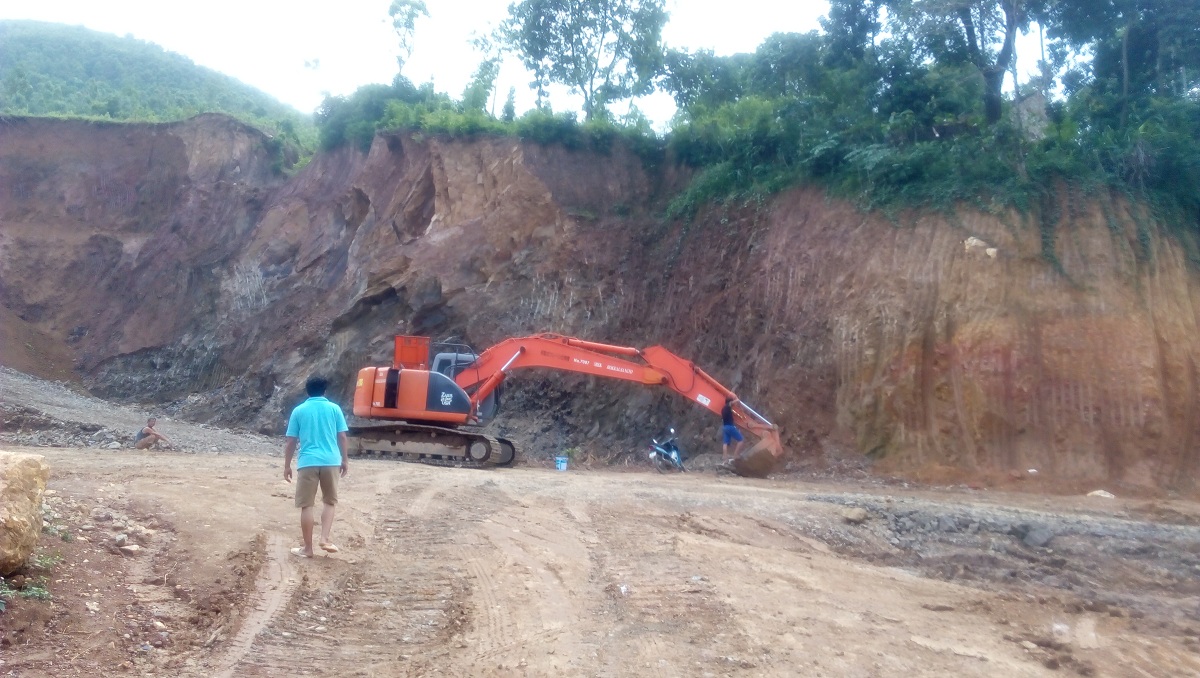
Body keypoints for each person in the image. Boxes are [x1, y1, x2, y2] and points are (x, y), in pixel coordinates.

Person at [283, 376, 349, 559]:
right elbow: (342, 437)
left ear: (307, 390)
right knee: (329, 501)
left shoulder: (299, 410)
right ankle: (325, 539)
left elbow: (291, 442)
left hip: (307, 462)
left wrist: (287, 465)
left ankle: (308, 549)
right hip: (331, 461)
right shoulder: (334, 409)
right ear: (325, 391)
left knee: (306, 505)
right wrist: (345, 460)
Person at [721, 397, 744, 463]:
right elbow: (734, 402)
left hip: (725, 427)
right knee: (741, 440)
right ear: (730, 402)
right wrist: (737, 400)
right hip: (730, 427)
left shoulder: (723, 409)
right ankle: (735, 455)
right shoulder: (728, 407)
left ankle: (725, 459)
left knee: (725, 443)